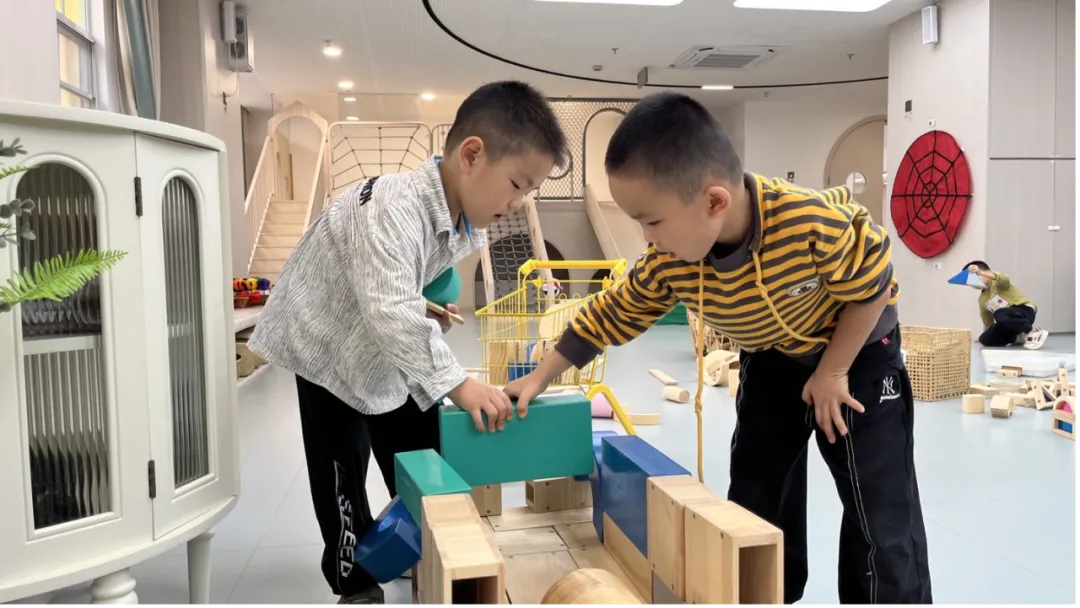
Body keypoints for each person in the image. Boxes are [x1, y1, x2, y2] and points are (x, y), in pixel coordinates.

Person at [505, 92, 932, 607]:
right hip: (772, 357)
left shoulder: (808, 221)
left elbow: (874, 286)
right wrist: (541, 375)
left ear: (714, 202)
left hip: (858, 355)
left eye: (652, 221)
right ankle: (765, 595)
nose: (647, 238)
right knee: (757, 494)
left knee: (878, 508)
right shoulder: (670, 261)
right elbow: (612, 312)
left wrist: (833, 371)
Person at [248, 81, 566, 607]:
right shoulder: (394, 207)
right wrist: (458, 382)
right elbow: (387, 308)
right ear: (471, 155)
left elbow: (391, 290)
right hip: (324, 347)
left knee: (420, 446)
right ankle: (354, 580)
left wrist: (421, 307)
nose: (517, 203)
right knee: (342, 472)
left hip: (379, 344)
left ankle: (415, 543)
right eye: (516, 185)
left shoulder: (459, 219)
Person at [965, 260, 1048, 349]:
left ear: (988, 272)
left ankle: (1032, 331)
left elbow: (1004, 278)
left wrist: (980, 272)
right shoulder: (982, 300)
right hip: (1006, 321)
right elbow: (987, 320)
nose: (973, 282)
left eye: (976, 276)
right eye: (970, 281)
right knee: (984, 339)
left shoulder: (998, 282)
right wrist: (988, 334)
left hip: (1024, 311)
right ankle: (1018, 338)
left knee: (1000, 313)